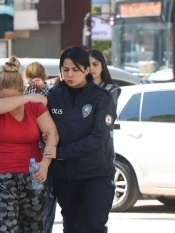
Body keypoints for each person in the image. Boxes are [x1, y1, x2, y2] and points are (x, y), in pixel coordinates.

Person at [0, 56, 58, 233]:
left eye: (13, 97)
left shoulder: (34, 107)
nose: (9, 104)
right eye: (3, 98)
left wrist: (45, 164)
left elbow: (52, 133)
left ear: (20, 90)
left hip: (33, 175)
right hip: (0, 177)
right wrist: (28, 98)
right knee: (5, 229)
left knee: (33, 229)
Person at [43, 46, 117, 233]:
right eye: (65, 70)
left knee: (92, 227)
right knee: (72, 227)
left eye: (75, 69)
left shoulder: (102, 98)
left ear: (86, 69)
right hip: (65, 177)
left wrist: (60, 152)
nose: (70, 74)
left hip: (96, 175)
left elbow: (98, 138)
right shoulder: (54, 96)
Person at [23, 61, 57, 233]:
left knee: (28, 206)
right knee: (46, 203)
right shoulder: (51, 93)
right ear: (44, 76)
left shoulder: (21, 93)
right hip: (46, 156)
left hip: (25, 156)